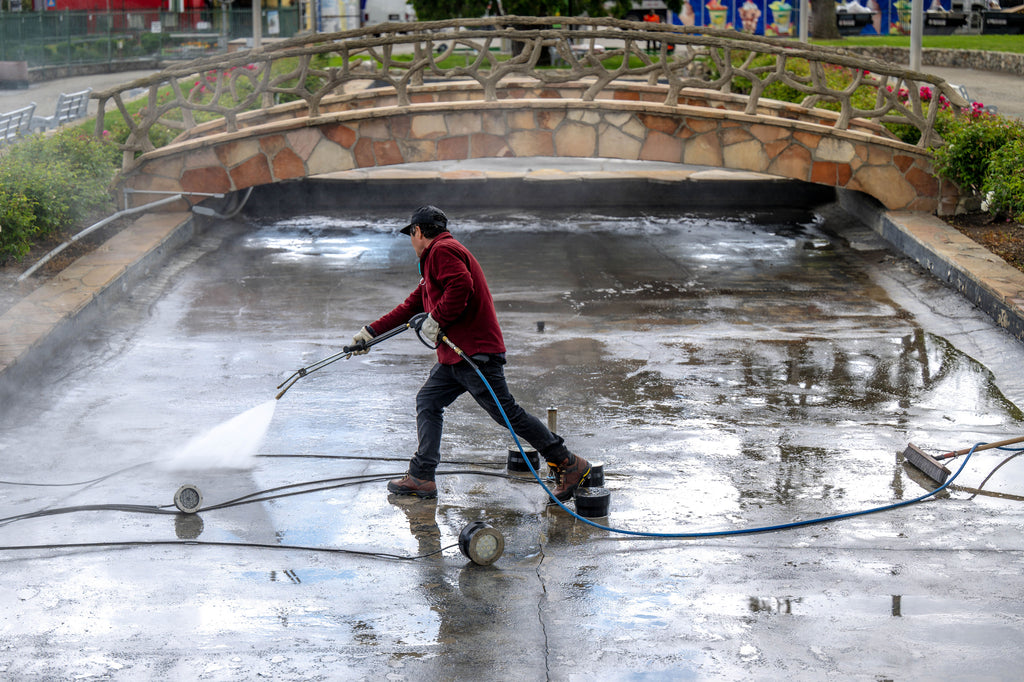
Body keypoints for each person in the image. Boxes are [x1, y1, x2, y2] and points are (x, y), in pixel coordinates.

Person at [351, 205, 591, 502]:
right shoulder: (433, 261)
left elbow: (462, 285)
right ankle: (422, 476)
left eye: (410, 234)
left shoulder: (442, 251)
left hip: (474, 354)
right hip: (455, 357)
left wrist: (436, 319)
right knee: (428, 401)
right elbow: (411, 306)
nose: (410, 240)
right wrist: (369, 334)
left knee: (509, 415)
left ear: (419, 231)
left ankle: (568, 462)